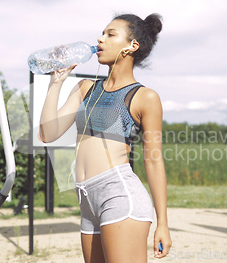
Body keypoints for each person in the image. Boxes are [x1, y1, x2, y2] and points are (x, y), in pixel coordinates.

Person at [39, 13, 171, 263]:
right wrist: (55, 83)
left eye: (111, 34)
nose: (100, 39)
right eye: (102, 33)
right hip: (87, 199)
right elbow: (47, 133)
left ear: (132, 46)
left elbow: (154, 161)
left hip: (119, 195)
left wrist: (162, 223)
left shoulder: (145, 97)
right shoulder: (85, 88)